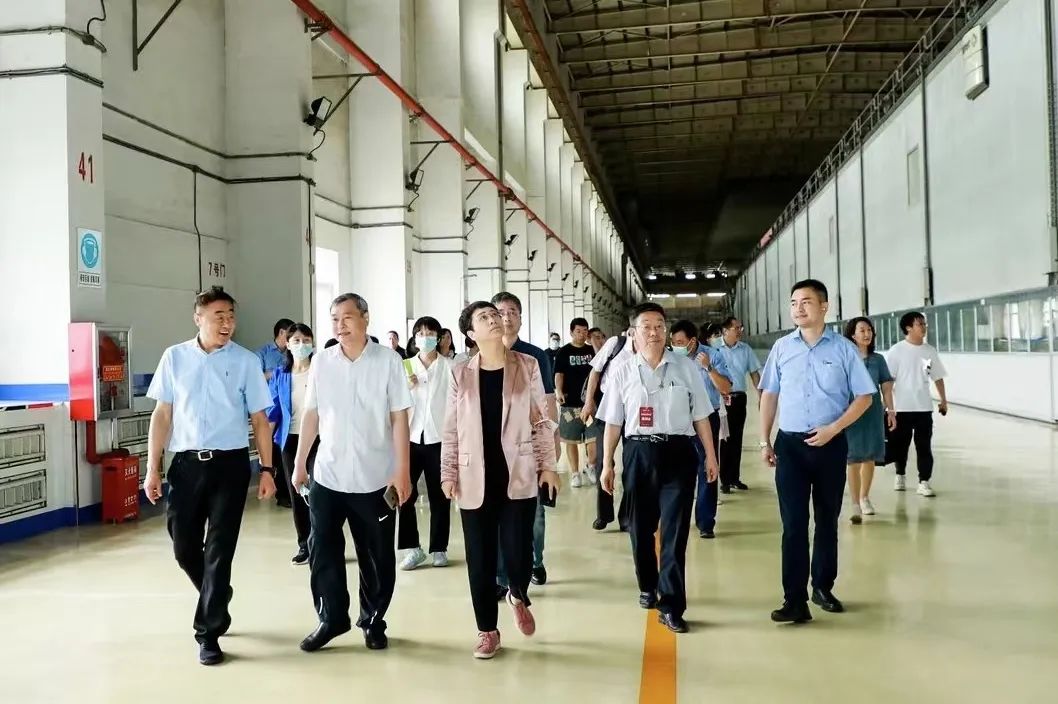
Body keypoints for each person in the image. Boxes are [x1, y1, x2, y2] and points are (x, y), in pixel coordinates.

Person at [143, 286, 278, 666]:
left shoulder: (246, 361)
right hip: (186, 465)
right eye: (219, 316)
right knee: (183, 546)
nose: (227, 323)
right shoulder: (174, 357)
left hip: (230, 466)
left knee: (220, 548)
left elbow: (260, 420)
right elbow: (162, 415)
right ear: (198, 318)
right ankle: (216, 593)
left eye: (231, 316)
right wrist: (152, 468)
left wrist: (267, 470)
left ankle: (209, 633)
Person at [292, 293, 413, 653]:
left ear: (365, 318)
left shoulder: (388, 361)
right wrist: (300, 463)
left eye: (346, 317)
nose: (339, 325)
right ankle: (331, 618)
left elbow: (399, 418)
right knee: (322, 551)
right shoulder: (322, 362)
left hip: (375, 477)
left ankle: (373, 620)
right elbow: (311, 414)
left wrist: (402, 470)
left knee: (376, 556)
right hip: (328, 474)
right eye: (334, 319)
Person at [441, 301, 561, 659]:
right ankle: (487, 631)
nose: (495, 320)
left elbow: (540, 419)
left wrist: (548, 465)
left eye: (495, 315)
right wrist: (448, 473)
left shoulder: (527, 365)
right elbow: (451, 429)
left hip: (518, 474)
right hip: (473, 477)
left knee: (519, 553)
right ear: (470, 333)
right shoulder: (460, 374)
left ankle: (517, 594)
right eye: (485, 318)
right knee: (479, 558)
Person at [758, 279, 875, 624]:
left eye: (806, 302)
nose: (798, 308)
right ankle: (794, 599)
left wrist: (833, 429)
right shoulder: (782, 348)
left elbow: (864, 397)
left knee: (826, 519)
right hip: (791, 446)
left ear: (824, 307)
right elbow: (769, 394)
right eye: (794, 302)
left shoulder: (843, 349)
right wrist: (765, 440)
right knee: (793, 524)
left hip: (830, 444)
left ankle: (822, 587)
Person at [598, 302, 719, 634]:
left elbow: (701, 415)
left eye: (659, 326)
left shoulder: (686, 368)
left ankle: (672, 605)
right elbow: (613, 423)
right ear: (633, 333)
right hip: (639, 453)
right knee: (640, 529)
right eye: (646, 327)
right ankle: (647, 585)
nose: (654, 333)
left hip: (679, 452)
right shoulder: (622, 371)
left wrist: (710, 456)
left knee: (675, 533)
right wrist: (607, 463)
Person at [491, 292, 558, 588]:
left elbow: (547, 402)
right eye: (500, 312)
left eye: (512, 312)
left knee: (534, 513)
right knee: (496, 515)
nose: (506, 317)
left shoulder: (535, 356)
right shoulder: (481, 357)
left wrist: (551, 447)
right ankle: (502, 576)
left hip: (528, 447)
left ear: (520, 318)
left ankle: (535, 560)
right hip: (493, 449)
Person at [398, 316, 453, 570]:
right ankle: (412, 548)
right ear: (414, 337)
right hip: (410, 438)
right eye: (420, 333)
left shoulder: (449, 366)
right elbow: (392, 403)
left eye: (430, 333)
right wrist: (406, 388)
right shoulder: (405, 366)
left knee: (439, 496)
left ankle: (439, 548)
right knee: (404, 495)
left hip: (439, 438)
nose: (425, 337)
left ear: (438, 337)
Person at [670, 320, 733, 539]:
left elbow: (726, 388)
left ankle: (706, 522)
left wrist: (708, 368)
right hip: (679, 419)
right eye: (673, 342)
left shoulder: (713, 355)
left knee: (708, 466)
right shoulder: (671, 359)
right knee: (679, 470)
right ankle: (678, 518)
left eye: (680, 342)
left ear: (692, 341)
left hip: (707, 417)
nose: (676, 346)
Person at [267, 323, 318, 565]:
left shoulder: (320, 370)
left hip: (319, 439)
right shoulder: (281, 374)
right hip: (290, 440)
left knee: (319, 493)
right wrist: (266, 450)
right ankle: (304, 544)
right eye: (296, 340)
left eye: (306, 340)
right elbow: (273, 411)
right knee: (297, 493)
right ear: (287, 344)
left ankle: (323, 542)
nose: (301, 344)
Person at [886, 311, 948, 498]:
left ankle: (924, 481)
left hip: (923, 407)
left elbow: (936, 376)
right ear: (908, 328)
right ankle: (900, 475)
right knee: (901, 446)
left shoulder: (929, 351)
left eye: (924, 323)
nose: (924, 327)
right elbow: (888, 382)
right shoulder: (897, 351)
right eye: (920, 324)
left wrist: (943, 400)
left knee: (924, 447)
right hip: (902, 408)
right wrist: (888, 407)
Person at [581, 326, 636, 531]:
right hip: (607, 405)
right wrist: (589, 402)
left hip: (634, 408)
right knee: (603, 460)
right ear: (633, 329)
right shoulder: (615, 344)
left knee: (632, 463)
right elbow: (595, 373)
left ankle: (627, 517)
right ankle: (604, 514)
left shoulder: (651, 349)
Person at [843, 317, 897, 523]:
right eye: (862, 330)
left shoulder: (878, 360)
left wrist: (891, 410)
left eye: (869, 330)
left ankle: (865, 497)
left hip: (873, 412)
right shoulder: (846, 358)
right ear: (852, 335)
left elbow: (886, 388)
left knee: (870, 456)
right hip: (851, 411)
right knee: (853, 458)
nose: (867, 334)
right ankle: (854, 503)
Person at [715, 316, 762, 493]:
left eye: (740, 328)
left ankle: (734, 478)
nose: (740, 331)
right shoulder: (715, 349)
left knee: (737, 438)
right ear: (725, 331)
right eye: (736, 328)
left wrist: (761, 395)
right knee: (724, 439)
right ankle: (724, 480)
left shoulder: (745, 349)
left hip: (739, 398)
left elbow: (754, 373)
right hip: (721, 399)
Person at [554, 317, 598, 488]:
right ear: (571, 332)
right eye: (578, 331)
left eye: (585, 331)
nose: (582, 334)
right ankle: (575, 473)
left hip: (591, 403)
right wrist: (558, 391)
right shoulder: (564, 352)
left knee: (593, 438)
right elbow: (559, 374)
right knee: (571, 440)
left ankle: (591, 466)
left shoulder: (592, 350)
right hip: (570, 404)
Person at [258, 317, 295, 507]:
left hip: (290, 410)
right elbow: (255, 378)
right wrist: (276, 373)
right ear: (281, 332)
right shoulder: (263, 353)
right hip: (271, 409)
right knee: (276, 453)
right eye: (290, 334)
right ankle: (282, 494)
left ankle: (292, 492)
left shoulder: (292, 351)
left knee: (288, 452)